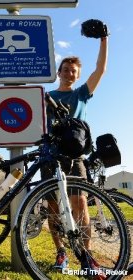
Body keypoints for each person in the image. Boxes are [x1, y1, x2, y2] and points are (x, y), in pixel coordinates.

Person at [43, 35, 108, 278]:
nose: (70, 73)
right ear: (59, 72)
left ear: (77, 75)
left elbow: (100, 69)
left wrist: (104, 39)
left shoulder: (81, 94)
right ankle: (60, 251)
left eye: (74, 71)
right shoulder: (47, 97)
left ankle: (87, 255)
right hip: (50, 155)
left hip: (75, 156)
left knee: (80, 203)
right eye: (66, 70)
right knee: (51, 205)